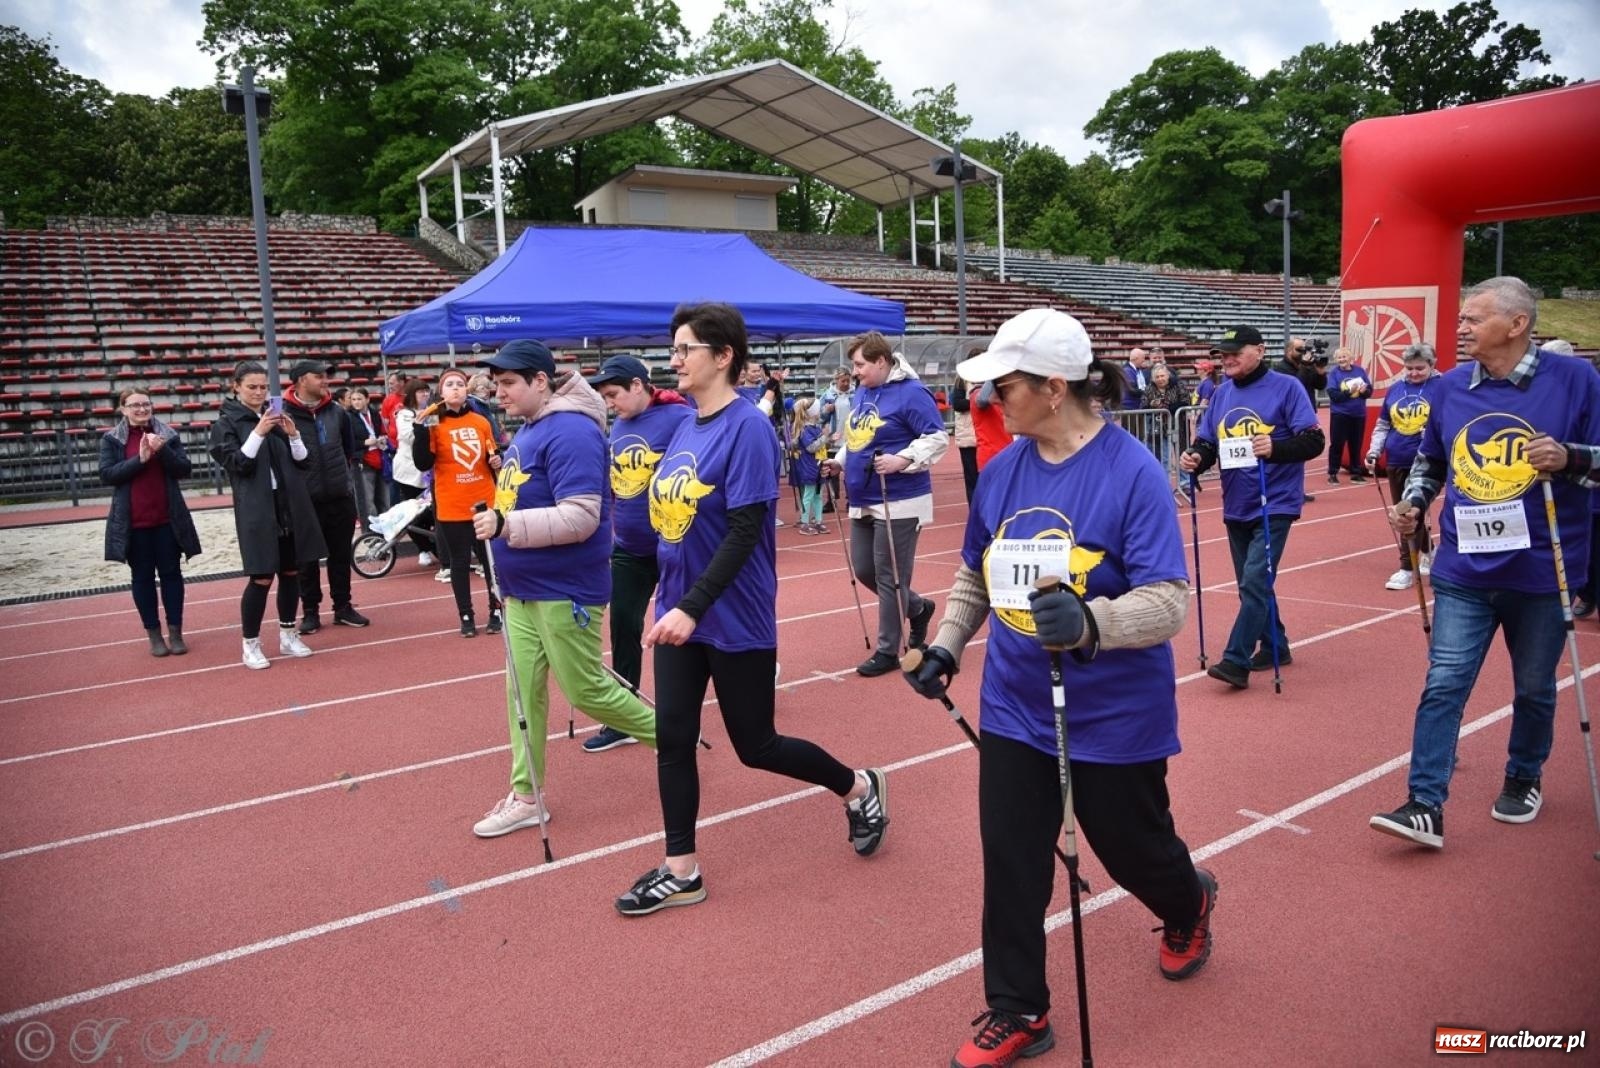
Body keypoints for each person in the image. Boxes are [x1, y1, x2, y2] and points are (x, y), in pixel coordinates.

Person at [904, 308, 1215, 1067]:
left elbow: (1169, 599)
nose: (988, 402)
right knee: (1011, 856)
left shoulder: (1131, 472)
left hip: (1112, 711)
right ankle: (1016, 1009)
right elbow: (975, 571)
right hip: (1014, 704)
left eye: (1000, 387)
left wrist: (1088, 623)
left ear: (1052, 387)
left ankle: (1187, 902)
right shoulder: (1004, 466)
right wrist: (947, 646)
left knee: (1132, 849)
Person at [612, 302, 887, 917]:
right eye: (674, 349)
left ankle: (858, 785)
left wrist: (692, 605)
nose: (674, 360)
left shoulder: (749, 428)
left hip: (732, 614)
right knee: (673, 739)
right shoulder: (685, 424)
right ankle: (681, 868)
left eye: (685, 349)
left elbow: (743, 532)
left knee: (755, 744)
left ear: (723, 355)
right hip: (680, 609)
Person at [1370, 277, 1600, 849]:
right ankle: (1425, 803)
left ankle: (1524, 775)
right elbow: (1430, 460)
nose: (1462, 327)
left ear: (1517, 324)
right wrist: (1414, 500)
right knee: (1443, 683)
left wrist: (1569, 456)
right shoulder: (1450, 387)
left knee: (1534, 688)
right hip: (1464, 570)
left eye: (1473, 319)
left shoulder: (1577, 380)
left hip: (1543, 571)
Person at [470, 340, 658, 838]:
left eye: (508, 383)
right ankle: (526, 795)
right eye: (497, 383)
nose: (499, 392)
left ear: (540, 382)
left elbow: (580, 516)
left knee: (586, 689)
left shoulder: (571, 430)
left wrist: (506, 525)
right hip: (524, 590)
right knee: (522, 694)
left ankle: (671, 736)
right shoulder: (530, 431)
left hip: (564, 588)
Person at [1180, 325, 1325, 689]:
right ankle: (1277, 643)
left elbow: (1313, 440)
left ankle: (1235, 660)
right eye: (1223, 353)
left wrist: (1275, 449)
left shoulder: (1287, 387)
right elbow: (1208, 441)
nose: (1226, 358)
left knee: (1255, 580)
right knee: (1252, 586)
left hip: (1274, 501)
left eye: (1235, 351)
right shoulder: (1221, 393)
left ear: (1259, 350)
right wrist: (1196, 456)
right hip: (1237, 501)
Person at [581, 353, 693, 753]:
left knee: (698, 621)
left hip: (677, 543)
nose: (610, 403)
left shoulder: (679, 418)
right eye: (606, 397)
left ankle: (753, 667)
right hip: (628, 547)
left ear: (637, 385)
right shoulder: (620, 424)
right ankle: (625, 715)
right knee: (624, 625)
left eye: (614, 394)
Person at [821, 330, 949, 677]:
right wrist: (841, 461)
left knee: (890, 576)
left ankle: (888, 649)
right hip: (863, 495)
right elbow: (859, 437)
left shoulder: (911, 393)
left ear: (881, 361)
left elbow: (938, 437)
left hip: (900, 500)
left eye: (861, 364)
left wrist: (903, 459)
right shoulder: (865, 391)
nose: (856, 371)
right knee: (865, 569)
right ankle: (918, 608)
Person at [209, 361, 326, 670]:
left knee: (291, 573)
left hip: (289, 505)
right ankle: (250, 643)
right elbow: (238, 464)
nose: (259, 392)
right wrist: (259, 432)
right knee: (261, 577)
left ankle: (288, 635)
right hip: (257, 509)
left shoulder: (276, 415)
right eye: (252, 387)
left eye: (263, 387)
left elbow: (304, 462)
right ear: (235, 386)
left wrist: (293, 434)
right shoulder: (225, 424)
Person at [99, 386, 202, 657]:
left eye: (146, 404)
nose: (142, 409)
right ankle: (154, 635)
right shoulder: (112, 439)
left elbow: (184, 469)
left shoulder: (167, 434)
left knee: (172, 575)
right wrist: (140, 460)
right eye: (134, 405)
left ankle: (176, 632)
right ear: (123, 409)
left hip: (168, 520)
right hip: (134, 523)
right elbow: (108, 475)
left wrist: (162, 450)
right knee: (142, 578)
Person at [282, 360, 370, 633]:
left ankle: (342, 607)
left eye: (325, 376)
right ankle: (310, 611)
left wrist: (343, 483)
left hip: (338, 496)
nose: (324, 381)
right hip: (304, 500)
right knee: (306, 559)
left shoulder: (337, 413)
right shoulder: (283, 413)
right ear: (300, 380)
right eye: (318, 376)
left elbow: (347, 450)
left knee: (341, 555)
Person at [413, 368, 502, 637]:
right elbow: (423, 463)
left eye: (460, 384)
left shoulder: (481, 421)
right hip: (451, 504)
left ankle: (495, 610)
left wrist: (495, 459)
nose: (455, 388)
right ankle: (466, 615)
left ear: (467, 390)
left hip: (484, 502)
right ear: (441, 392)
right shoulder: (433, 422)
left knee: (490, 563)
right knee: (459, 562)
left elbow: (490, 453)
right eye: (449, 384)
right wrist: (419, 430)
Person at [1366, 344, 1441, 591]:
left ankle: (1407, 568)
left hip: (1428, 461)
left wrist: (1432, 432)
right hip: (1397, 457)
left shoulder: (1442, 388)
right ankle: (1428, 549)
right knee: (1405, 512)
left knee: (1409, 514)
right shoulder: (1396, 389)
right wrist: (1374, 450)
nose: (1414, 373)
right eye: (1409, 368)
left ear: (1432, 365)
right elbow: (1383, 425)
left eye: (1420, 368)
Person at [391, 378, 441, 569]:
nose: (425, 396)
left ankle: (434, 545)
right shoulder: (404, 414)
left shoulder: (430, 412)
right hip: (408, 471)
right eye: (421, 392)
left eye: (427, 392)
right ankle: (423, 549)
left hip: (428, 471)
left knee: (428, 511)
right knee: (412, 513)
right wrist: (423, 424)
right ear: (412, 394)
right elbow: (408, 436)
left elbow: (437, 433)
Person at [1276, 337, 1327, 504]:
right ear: (1288, 350)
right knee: (1290, 455)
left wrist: (1320, 371)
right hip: (1287, 417)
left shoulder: (1306, 366)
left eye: (1304, 349)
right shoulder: (1281, 369)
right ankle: (1287, 491)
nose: (1303, 353)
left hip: (1306, 414)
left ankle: (1297, 490)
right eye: (1299, 349)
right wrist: (1305, 367)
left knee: (1300, 456)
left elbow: (1319, 385)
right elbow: (1296, 385)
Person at [1324, 346, 1373, 484]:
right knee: (1337, 444)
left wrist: (1364, 391)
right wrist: (1349, 392)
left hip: (1358, 414)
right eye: (1339, 358)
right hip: (1340, 414)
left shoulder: (1360, 371)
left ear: (1351, 358)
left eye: (1344, 357)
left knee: (1356, 444)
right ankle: (1333, 473)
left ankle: (1356, 472)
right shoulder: (1334, 374)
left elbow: (1369, 392)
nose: (1342, 360)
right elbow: (1334, 395)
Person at [1142, 362, 1186, 497]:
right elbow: (1143, 406)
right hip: (1158, 428)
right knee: (1164, 458)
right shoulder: (1149, 388)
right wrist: (1153, 407)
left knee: (1182, 454)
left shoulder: (1178, 385)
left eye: (1162, 376)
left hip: (1177, 425)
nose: (1160, 379)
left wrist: (1167, 408)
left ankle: (1185, 484)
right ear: (1153, 378)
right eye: (1157, 377)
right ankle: (1165, 486)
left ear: (1167, 375)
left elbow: (1185, 401)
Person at [346, 386, 388, 529]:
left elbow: (381, 432)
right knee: (367, 500)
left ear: (367, 399)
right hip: (362, 461)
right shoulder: (348, 417)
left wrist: (382, 438)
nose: (356, 402)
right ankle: (370, 533)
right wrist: (363, 443)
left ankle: (386, 529)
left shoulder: (374, 414)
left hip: (379, 458)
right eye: (353, 399)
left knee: (383, 498)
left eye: (359, 399)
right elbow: (346, 441)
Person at [790, 397, 827, 533]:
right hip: (809, 467)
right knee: (808, 495)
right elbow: (811, 447)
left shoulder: (815, 428)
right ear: (813, 413)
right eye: (819, 409)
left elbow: (821, 446)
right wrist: (825, 437)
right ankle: (805, 522)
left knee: (818, 495)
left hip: (818, 466)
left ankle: (818, 520)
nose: (821, 411)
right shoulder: (805, 430)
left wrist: (828, 439)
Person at [951, 375, 980, 504]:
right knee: (972, 478)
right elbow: (957, 403)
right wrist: (977, 401)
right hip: (968, 436)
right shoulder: (962, 381)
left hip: (986, 436)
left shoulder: (991, 377)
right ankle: (975, 511)